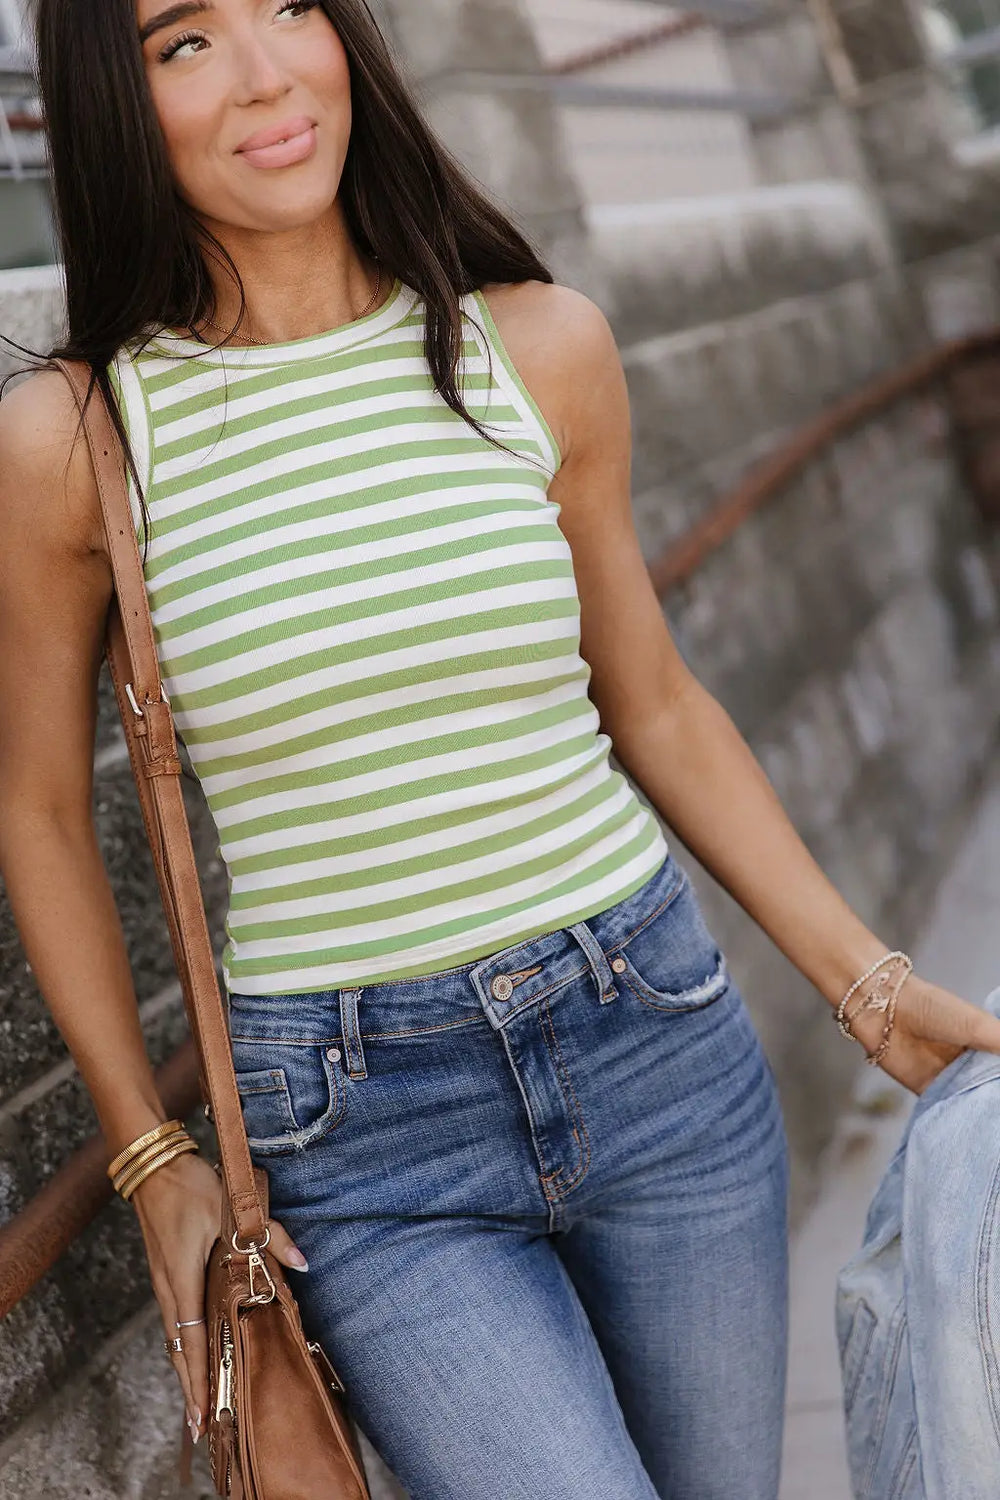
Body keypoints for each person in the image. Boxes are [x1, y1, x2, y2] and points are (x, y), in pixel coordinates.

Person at [0, 3, 997, 1498]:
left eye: (291, 10)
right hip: (362, 1132)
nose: (268, 73)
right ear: (106, 96)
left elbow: (652, 699)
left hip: (654, 1039)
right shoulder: (79, 439)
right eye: (182, 40)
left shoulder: (534, 342)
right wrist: (152, 1162)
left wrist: (869, 987)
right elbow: (36, 813)